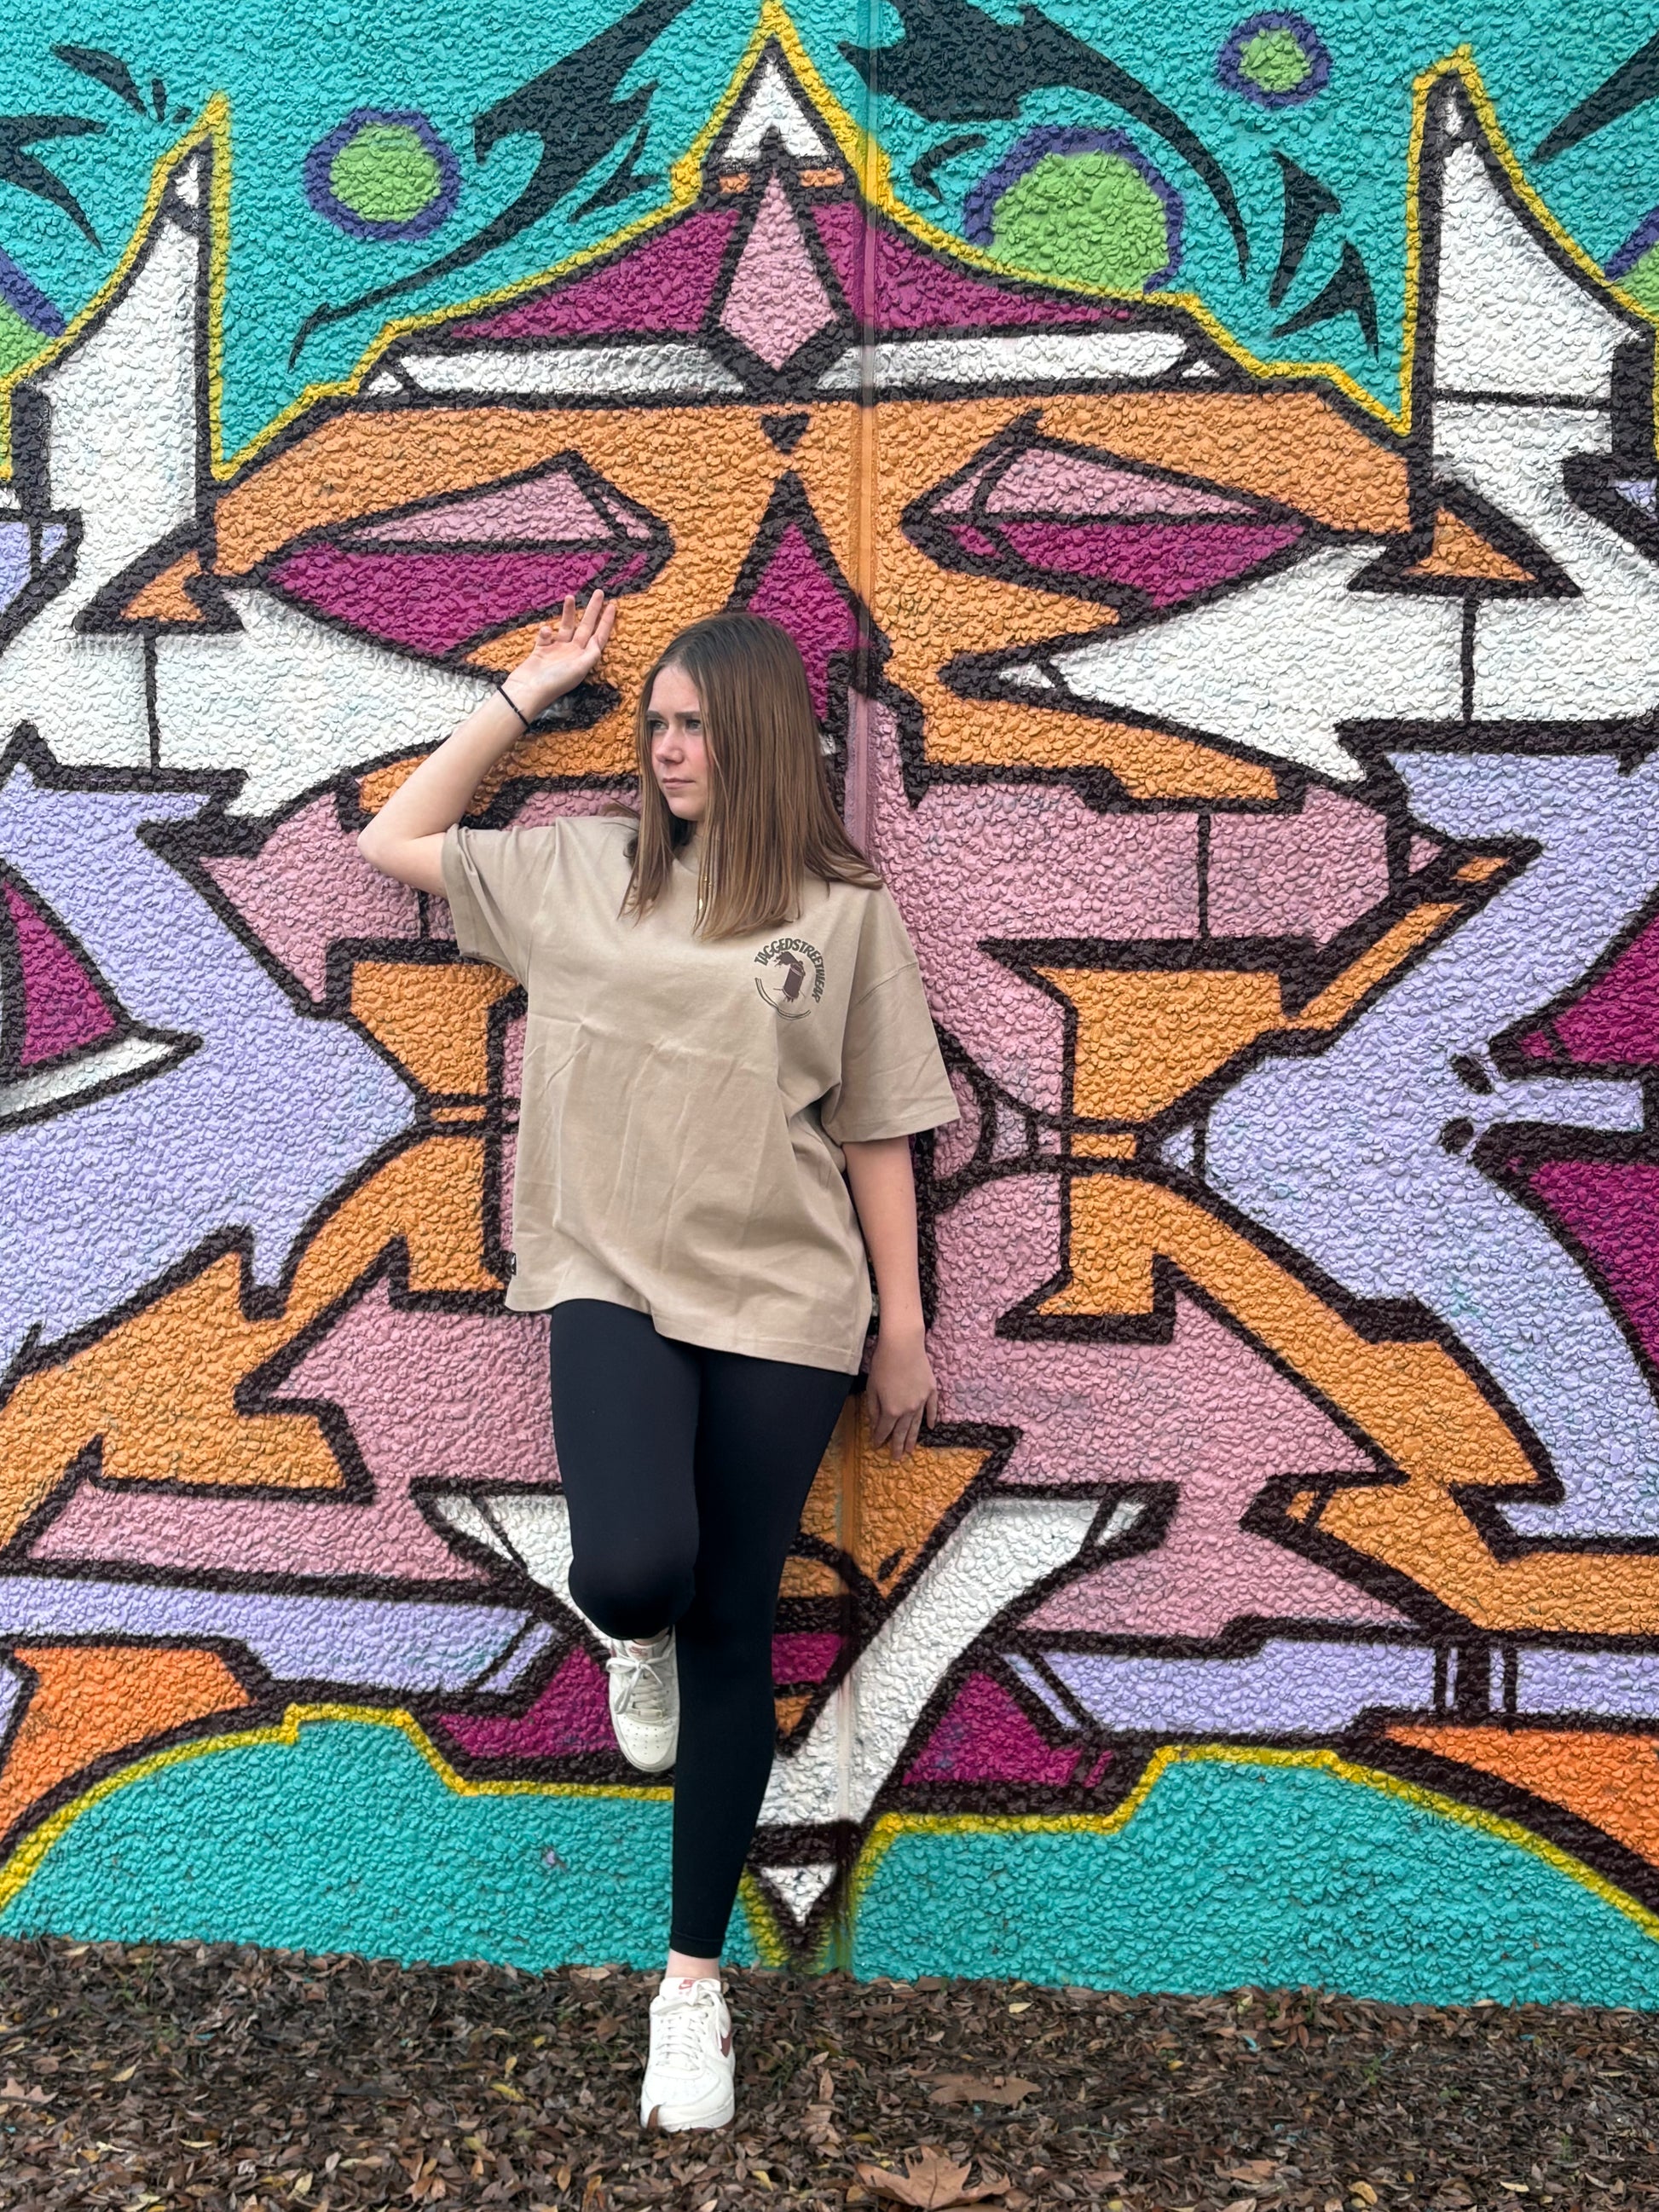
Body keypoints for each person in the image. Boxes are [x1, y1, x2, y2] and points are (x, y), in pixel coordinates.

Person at [358, 591, 958, 2133]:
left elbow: (877, 1126)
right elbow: (392, 838)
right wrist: (527, 689)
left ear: (753, 737)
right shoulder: (578, 870)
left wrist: (901, 1326)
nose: (666, 747)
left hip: (783, 1306)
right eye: (654, 723)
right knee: (638, 1573)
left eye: (692, 725)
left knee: (737, 1630)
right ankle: (633, 1633)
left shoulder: (841, 912)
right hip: (606, 1281)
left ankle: (690, 1989)